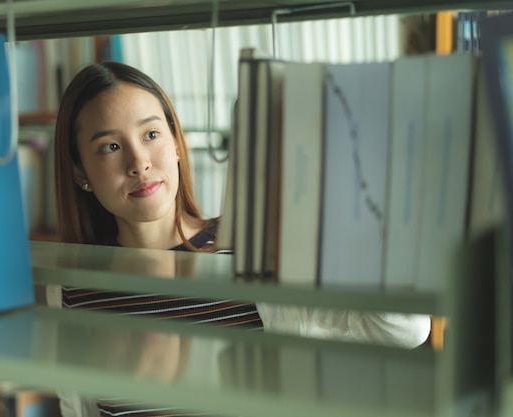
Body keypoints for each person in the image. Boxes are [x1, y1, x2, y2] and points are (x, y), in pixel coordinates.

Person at [47, 61, 431, 417]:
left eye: (151, 134)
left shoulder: (253, 248)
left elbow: (402, 330)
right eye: (110, 147)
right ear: (81, 172)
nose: (139, 162)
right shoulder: (73, 288)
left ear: (177, 145)